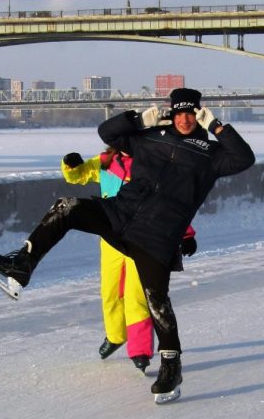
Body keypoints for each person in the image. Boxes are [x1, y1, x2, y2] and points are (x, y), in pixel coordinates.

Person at [0, 87, 255, 403]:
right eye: (179, 112)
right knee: (67, 206)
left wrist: (217, 126)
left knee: (156, 299)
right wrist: (140, 118)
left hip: (158, 234)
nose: (184, 119)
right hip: (120, 213)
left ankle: (171, 366)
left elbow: (244, 158)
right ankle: (21, 266)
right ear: (171, 112)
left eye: (191, 113)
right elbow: (106, 132)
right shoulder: (151, 137)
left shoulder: (210, 153)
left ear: (198, 114)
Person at [61, 147, 198, 374]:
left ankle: (140, 351)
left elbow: (171, 203)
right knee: (110, 291)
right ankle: (115, 336)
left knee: (137, 296)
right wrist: (71, 165)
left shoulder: (151, 166)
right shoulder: (105, 162)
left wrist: (186, 233)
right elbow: (80, 176)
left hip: (141, 239)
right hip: (111, 238)